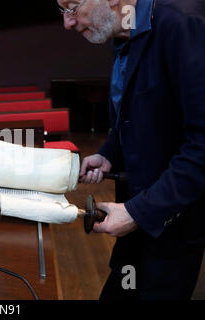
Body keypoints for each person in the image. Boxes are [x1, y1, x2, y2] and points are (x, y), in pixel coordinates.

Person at [57, 0, 205, 299]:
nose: (68, 23)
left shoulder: (182, 25)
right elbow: (140, 116)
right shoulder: (125, 35)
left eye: (72, 8)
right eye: (63, 12)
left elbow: (201, 144)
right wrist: (110, 153)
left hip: (171, 230)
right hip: (135, 228)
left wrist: (138, 212)